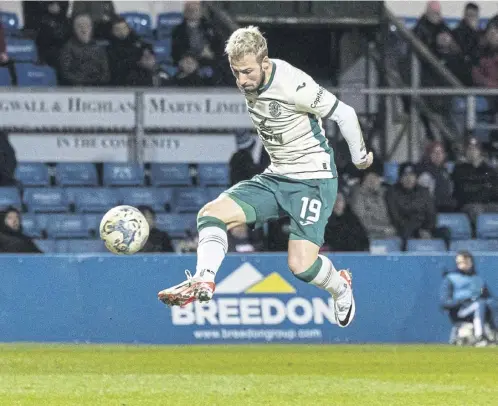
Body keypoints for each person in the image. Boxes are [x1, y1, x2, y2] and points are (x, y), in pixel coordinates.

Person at [158, 26, 374, 328]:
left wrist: (361, 157)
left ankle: (340, 286)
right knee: (211, 214)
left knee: (301, 265)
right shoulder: (249, 80)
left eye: (247, 71)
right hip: (277, 176)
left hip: (313, 180)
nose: (242, 80)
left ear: (265, 63)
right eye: (236, 73)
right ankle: (204, 281)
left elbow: (345, 114)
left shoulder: (292, 84)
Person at [440, 250, 497, 346]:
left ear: (471, 262)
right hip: (460, 310)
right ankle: (480, 336)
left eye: (466, 262)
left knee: (492, 304)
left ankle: (494, 334)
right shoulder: (450, 278)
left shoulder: (478, 279)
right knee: (479, 304)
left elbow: (488, 297)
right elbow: (445, 302)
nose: (463, 264)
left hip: (480, 309)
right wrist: (461, 301)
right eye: (460, 262)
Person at [59, 14, 110, 86]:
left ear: (91, 28)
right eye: (80, 26)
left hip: (98, 88)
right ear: (74, 29)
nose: (84, 30)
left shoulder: (99, 47)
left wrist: (98, 83)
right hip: (77, 88)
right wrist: (85, 83)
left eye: (87, 26)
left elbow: (105, 72)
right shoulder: (68, 48)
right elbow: (65, 73)